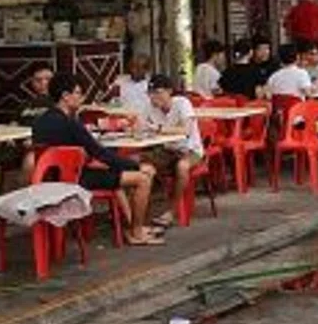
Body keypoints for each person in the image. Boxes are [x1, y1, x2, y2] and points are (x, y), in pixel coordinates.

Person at [31, 72, 160, 246]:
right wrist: (135, 166)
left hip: (50, 180)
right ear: (65, 96)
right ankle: (136, 231)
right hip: (77, 180)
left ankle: (131, 224)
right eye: (78, 93)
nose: (81, 98)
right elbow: (100, 153)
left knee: (118, 171)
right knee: (142, 179)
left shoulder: (40, 122)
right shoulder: (71, 124)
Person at [142, 75, 203, 226]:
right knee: (142, 167)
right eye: (150, 93)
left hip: (190, 149)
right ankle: (145, 212)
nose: (154, 97)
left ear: (169, 91)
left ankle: (172, 210)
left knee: (182, 167)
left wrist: (159, 129)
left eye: (158, 92)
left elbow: (186, 129)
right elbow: (143, 127)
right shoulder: (150, 107)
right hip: (166, 150)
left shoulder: (182, 103)